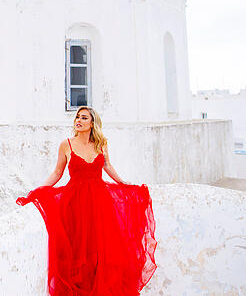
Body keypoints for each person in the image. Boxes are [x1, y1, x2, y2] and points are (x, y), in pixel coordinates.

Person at [17, 106, 157, 295]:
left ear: (92, 123)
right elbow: (58, 172)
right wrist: (39, 189)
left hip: (100, 203)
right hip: (74, 203)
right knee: (77, 252)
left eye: (84, 118)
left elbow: (107, 166)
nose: (79, 120)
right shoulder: (66, 144)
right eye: (77, 117)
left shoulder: (101, 144)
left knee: (103, 252)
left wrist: (123, 182)